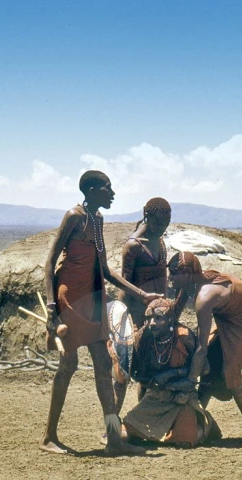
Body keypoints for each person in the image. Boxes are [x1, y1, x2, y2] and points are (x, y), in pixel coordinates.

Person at [40, 170, 160, 456]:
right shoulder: (74, 216)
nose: (113, 193)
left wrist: (142, 295)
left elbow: (104, 270)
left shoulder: (97, 220)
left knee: (103, 364)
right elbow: (49, 264)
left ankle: (113, 438)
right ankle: (48, 437)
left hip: (92, 299)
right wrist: (52, 308)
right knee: (67, 366)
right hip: (68, 300)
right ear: (93, 190)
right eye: (108, 188)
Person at [168, 251, 242, 446]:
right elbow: (174, 314)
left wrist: (190, 381)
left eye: (174, 273)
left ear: (187, 273)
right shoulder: (192, 282)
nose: (170, 278)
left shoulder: (205, 297)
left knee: (229, 372)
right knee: (209, 369)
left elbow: (201, 348)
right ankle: (197, 423)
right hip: (229, 317)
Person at [122, 298, 218, 448]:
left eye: (158, 318)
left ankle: (206, 424)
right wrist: (152, 382)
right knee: (123, 435)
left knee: (185, 441)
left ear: (170, 320)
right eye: (149, 318)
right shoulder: (143, 339)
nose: (152, 323)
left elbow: (204, 368)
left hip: (182, 399)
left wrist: (171, 375)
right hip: (155, 399)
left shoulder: (184, 336)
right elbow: (137, 373)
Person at [114, 197, 172, 411]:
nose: (161, 229)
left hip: (158, 321)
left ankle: (144, 417)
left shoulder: (161, 242)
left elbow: (163, 280)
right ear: (147, 216)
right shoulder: (133, 246)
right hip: (136, 319)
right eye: (158, 224)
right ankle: (111, 426)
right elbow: (124, 287)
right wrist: (120, 323)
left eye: (166, 224)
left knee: (151, 373)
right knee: (125, 373)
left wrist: (167, 311)